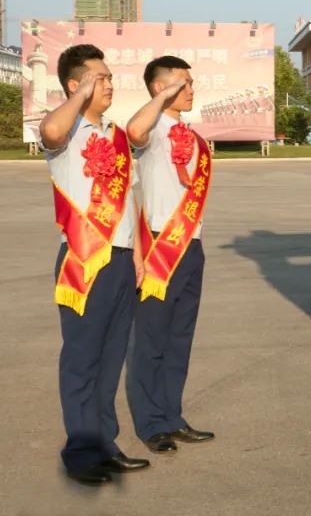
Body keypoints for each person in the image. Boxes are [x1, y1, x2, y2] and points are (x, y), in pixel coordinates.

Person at [39, 44, 150, 485]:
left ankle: (107, 443)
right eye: (99, 78)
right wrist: (79, 97)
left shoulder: (117, 137)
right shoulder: (65, 135)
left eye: (107, 78)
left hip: (123, 261)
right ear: (76, 84)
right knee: (82, 360)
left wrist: (140, 258)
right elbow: (49, 129)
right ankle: (82, 451)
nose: (109, 85)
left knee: (109, 361)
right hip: (85, 261)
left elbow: (130, 205)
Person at [126, 55, 215, 453]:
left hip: (191, 244)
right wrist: (164, 99)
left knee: (180, 338)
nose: (191, 89)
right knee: (151, 340)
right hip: (161, 243)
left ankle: (172, 416)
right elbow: (135, 129)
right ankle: (150, 424)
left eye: (191, 83)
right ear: (161, 88)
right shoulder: (152, 131)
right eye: (183, 83)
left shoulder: (191, 136)